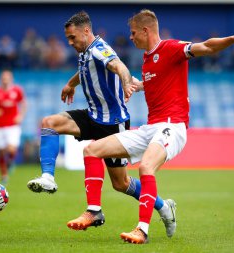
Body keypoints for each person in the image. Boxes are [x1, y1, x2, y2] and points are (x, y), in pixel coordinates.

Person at [67, 9, 234, 244]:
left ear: (145, 30)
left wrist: (232, 38)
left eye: (133, 32)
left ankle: (142, 229)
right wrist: (133, 86)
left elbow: (206, 47)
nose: (130, 37)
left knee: (146, 167)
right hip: (152, 127)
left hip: (173, 126)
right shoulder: (148, 60)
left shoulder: (170, 48)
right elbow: (155, 85)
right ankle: (95, 210)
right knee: (91, 150)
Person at [27, 11, 174, 234]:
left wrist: (126, 83)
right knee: (49, 122)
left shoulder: (99, 48)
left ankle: (163, 206)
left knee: (121, 183)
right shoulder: (86, 51)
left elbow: (119, 66)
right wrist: (71, 84)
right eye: (68, 38)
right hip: (94, 115)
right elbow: (84, 68)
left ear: (86, 31)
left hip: (113, 122)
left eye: (73, 38)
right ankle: (49, 177)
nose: (70, 42)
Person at [0, 69, 26, 185]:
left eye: (7, 78)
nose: (5, 80)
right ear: (0, 79)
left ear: (11, 79)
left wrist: (21, 116)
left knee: (11, 148)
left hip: (13, 125)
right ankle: (4, 175)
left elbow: (24, 104)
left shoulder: (17, 90)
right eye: (3, 78)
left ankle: (11, 161)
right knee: (1, 152)